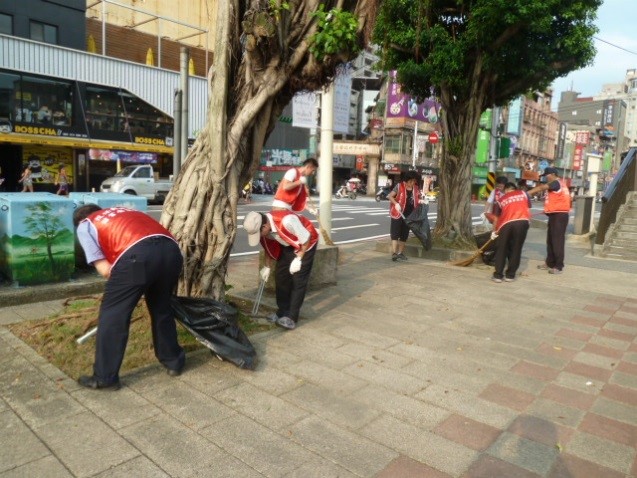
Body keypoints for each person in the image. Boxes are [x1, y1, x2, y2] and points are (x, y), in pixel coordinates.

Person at [73, 205, 185, 390]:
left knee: (114, 314)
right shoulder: (127, 211)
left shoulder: (85, 225)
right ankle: (174, 361)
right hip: (171, 252)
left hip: (137, 259)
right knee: (161, 307)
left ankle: (105, 377)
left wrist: (131, 282)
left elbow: (105, 269)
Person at [243, 210, 318, 330]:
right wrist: (267, 266)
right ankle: (282, 312)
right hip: (288, 242)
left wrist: (299, 258)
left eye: (259, 233)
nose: (260, 236)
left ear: (265, 226)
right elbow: (268, 246)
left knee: (298, 280)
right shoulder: (264, 228)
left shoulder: (287, 221)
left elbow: (306, 238)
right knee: (281, 277)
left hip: (306, 243)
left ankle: (291, 317)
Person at [527, 167, 572, 274]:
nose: (545, 178)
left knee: (557, 241)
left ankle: (558, 266)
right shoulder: (559, 184)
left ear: (552, 174)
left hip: (559, 216)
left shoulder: (556, 183)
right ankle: (550, 263)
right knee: (550, 240)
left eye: (546, 175)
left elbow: (541, 188)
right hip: (555, 215)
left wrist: (526, 194)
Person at [490, 183, 531, 283]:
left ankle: (498, 275)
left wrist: (494, 231)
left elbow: (496, 218)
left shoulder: (501, 200)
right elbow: (528, 207)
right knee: (516, 248)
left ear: (506, 190)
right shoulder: (523, 194)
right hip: (523, 222)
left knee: (502, 248)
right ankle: (510, 275)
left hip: (506, 224)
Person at [388, 170, 420, 261]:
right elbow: (390, 196)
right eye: (410, 181)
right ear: (406, 180)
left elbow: (418, 199)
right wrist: (396, 203)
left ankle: (400, 253)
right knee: (395, 233)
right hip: (398, 213)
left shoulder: (416, 189)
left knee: (404, 234)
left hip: (408, 215)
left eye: (413, 181)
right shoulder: (399, 186)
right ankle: (394, 253)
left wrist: (421, 201)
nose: (411, 183)